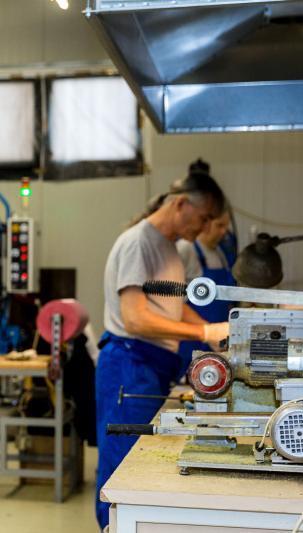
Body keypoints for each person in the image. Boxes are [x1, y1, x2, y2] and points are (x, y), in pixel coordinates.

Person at [95, 172, 229, 530]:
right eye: (203, 218)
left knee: (139, 464)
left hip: (152, 365)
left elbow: (173, 306)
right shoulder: (139, 243)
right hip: (129, 364)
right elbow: (136, 318)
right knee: (121, 467)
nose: (205, 228)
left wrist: (213, 333)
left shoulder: (167, 247)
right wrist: (203, 331)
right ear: (181, 204)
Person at [176, 205, 237, 363]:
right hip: (191, 342)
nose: (224, 232)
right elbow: (174, 303)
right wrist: (209, 332)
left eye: (226, 226)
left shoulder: (220, 253)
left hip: (218, 343)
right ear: (205, 222)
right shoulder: (186, 248)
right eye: (219, 225)